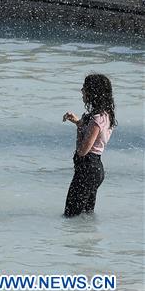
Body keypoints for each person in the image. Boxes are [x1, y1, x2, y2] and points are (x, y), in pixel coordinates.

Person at [62, 74, 116, 217]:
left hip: (86, 171)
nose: (82, 91)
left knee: (70, 216)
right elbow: (95, 138)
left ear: (93, 92)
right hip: (95, 169)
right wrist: (79, 122)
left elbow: (82, 151)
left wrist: (79, 128)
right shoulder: (105, 115)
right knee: (86, 216)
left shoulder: (96, 120)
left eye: (84, 88)